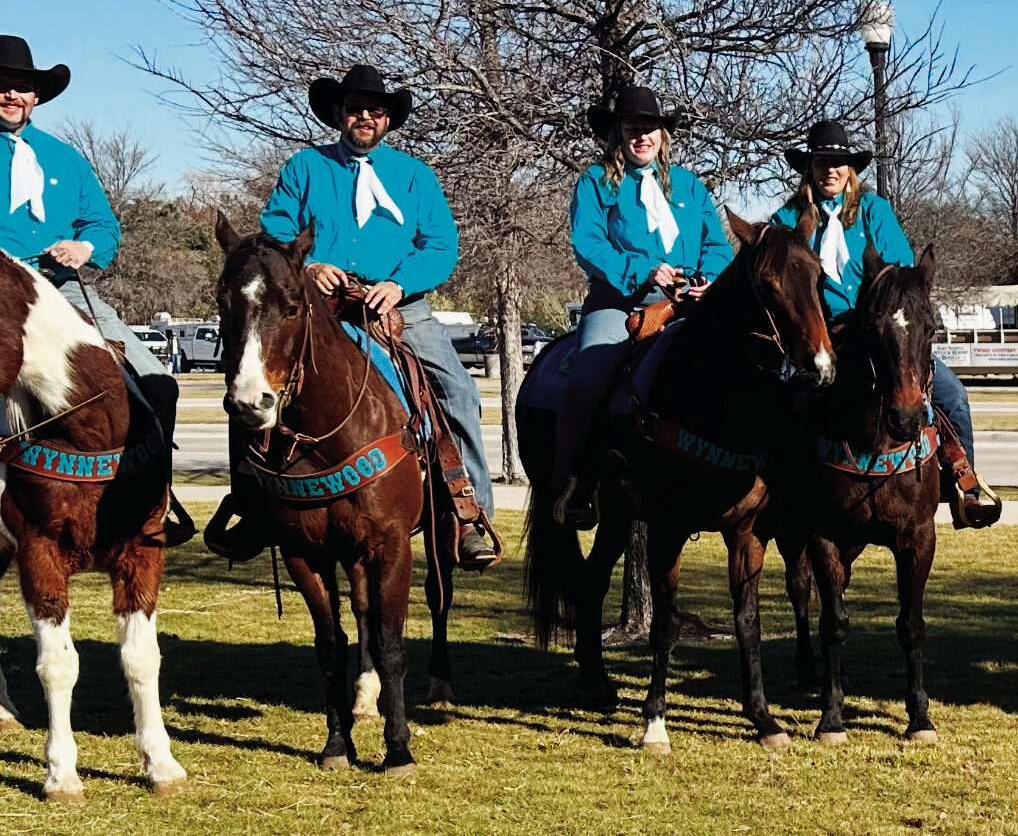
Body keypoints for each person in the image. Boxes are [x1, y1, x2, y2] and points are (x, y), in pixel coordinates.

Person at [207, 64, 497, 567]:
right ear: (339, 114)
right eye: (356, 109)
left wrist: (399, 283)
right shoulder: (304, 168)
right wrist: (310, 264)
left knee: (459, 392)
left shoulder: (415, 176)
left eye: (376, 111)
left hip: (398, 305)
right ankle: (252, 503)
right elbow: (275, 231)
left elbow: (441, 246)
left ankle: (468, 516)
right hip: (321, 309)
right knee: (250, 387)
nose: (365, 117)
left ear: (388, 120)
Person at [769, 120, 998, 527]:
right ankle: (780, 490)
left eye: (839, 163)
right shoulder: (787, 217)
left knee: (951, 394)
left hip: (879, 332)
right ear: (810, 167)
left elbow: (900, 272)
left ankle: (966, 487)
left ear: (850, 169)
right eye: (822, 162)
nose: (830, 170)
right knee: (784, 399)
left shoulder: (875, 211)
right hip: (816, 333)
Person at [548, 86, 733, 528]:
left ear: (662, 135)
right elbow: (588, 243)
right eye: (633, 128)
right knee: (589, 375)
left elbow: (717, 245)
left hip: (690, 303)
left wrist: (709, 279)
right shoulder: (595, 181)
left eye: (649, 128)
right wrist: (644, 269)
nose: (641, 136)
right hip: (621, 302)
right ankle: (574, 480)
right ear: (618, 133)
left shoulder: (690, 185)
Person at [0, 35, 180, 441]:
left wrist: (84, 247)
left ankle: (149, 500)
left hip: (65, 291)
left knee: (158, 385)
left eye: (22, 85)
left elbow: (104, 226)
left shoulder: (66, 158)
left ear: (36, 97)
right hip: (1, 297)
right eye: (1, 82)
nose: (11, 93)